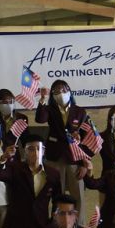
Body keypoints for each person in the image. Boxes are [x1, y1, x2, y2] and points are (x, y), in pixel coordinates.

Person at [0, 133, 62, 228]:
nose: (35, 152)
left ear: (43, 151)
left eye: (39, 149)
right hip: (19, 225)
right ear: (25, 152)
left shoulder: (53, 174)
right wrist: (3, 157)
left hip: (41, 224)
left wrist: (53, 219)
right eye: (31, 149)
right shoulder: (15, 169)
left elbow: (57, 199)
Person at [34, 80, 91, 208]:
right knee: (56, 194)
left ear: (70, 92)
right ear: (53, 95)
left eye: (64, 90)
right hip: (55, 158)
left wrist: (84, 164)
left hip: (74, 159)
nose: (61, 93)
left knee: (78, 196)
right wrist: (43, 99)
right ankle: (57, 225)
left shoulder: (80, 111)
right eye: (57, 91)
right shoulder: (49, 109)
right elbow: (40, 119)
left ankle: (79, 226)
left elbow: (86, 139)